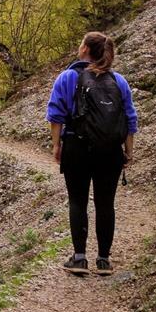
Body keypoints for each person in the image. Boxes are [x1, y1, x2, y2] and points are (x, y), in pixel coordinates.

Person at [46, 31, 137, 276]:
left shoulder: (68, 77)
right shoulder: (119, 81)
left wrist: (57, 145)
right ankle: (104, 260)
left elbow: (55, 115)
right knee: (106, 203)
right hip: (110, 151)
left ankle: (79, 258)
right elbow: (130, 119)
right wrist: (128, 151)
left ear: (85, 49)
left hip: (76, 147)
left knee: (78, 201)